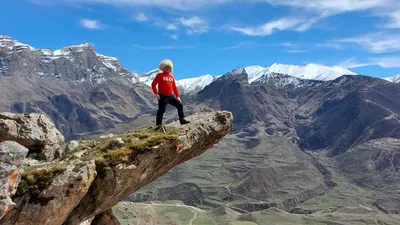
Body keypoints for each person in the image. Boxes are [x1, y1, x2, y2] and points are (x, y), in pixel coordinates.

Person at [151, 59, 190, 126]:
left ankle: (182, 120)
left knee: (180, 105)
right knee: (161, 111)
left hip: (170, 95)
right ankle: (158, 125)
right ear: (163, 68)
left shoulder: (171, 77)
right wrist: (156, 93)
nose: (167, 69)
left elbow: (174, 87)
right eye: (166, 67)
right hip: (162, 96)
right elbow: (153, 84)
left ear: (171, 69)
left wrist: (178, 96)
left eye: (169, 67)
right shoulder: (159, 75)